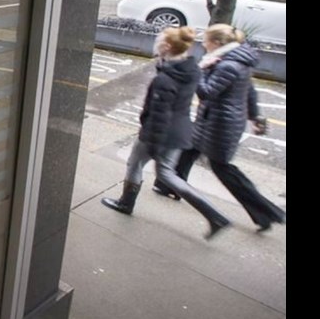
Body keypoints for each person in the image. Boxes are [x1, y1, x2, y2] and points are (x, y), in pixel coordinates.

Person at [151, 24, 286, 232]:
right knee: (188, 150)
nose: (203, 44)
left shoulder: (227, 65)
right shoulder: (236, 60)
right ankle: (169, 185)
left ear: (216, 43)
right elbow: (249, 92)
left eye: (206, 40)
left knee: (223, 169)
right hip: (213, 120)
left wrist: (200, 70)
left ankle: (266, 213)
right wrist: (255, 116)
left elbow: (206, 92)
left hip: (220, 124)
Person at [101, 26, 231, 239]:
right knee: (167, 174)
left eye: (159, 40)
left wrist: (152, 143)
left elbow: (159, 115)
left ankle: (126, 203)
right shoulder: (190, 69)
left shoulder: (165, 80)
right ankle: (214, 215)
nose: (156, 43)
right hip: (179, 132)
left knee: (135, 164)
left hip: (159, 133)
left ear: (167, 46)